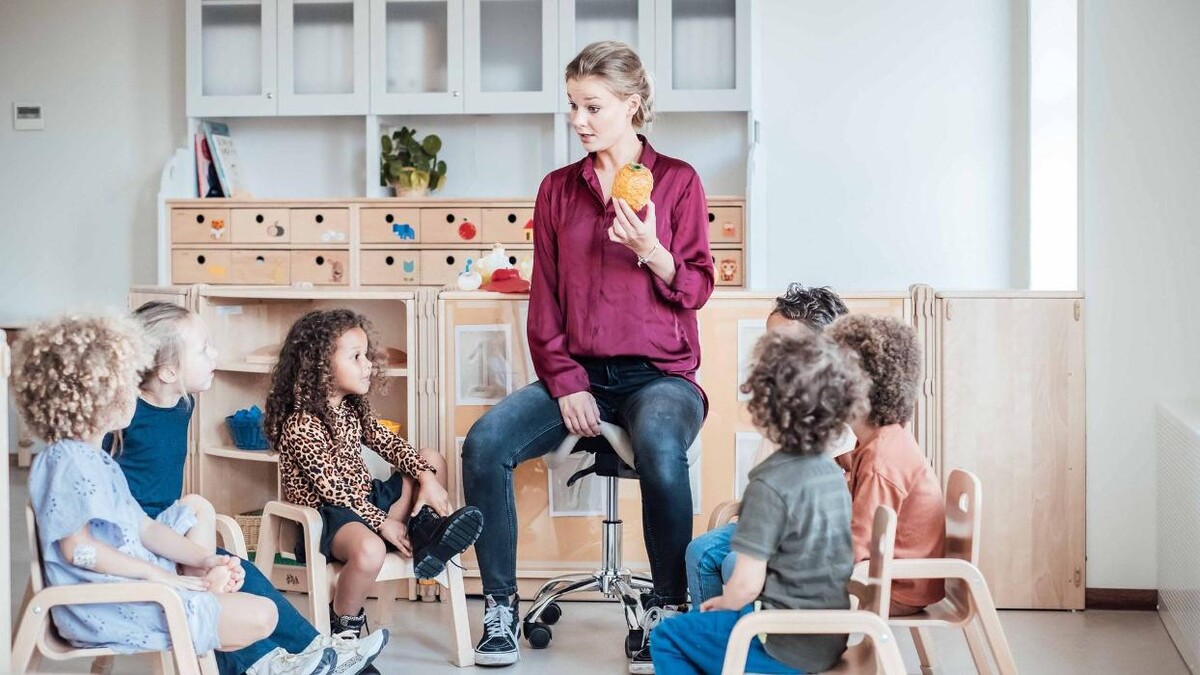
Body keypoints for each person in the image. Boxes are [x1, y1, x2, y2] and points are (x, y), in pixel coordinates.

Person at [461, 39, 715, 672]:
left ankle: (666, 609)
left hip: (661, 375)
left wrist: (654, 249)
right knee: (485, 442)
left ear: (632, 105)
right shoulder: (557, 190)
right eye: (572, 105)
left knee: (659, 445)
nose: (578, 120)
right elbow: (543, 301)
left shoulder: (678, 182)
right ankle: (499, 608)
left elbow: (696, 289)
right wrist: (567, 381)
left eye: (592, 106)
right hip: (576, 375)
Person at [110, 301, 387, 674]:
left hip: (171, 531)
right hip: (138, 543)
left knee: (244, 571)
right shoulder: (122, 415)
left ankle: (324, 654)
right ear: (168, 369)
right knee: (215, 590)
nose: (216, 354)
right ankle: (262, 664)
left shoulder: (182, 402)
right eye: (204, 348)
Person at [12, 314, 287, 669]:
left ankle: (214, 608)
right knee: (261, 615)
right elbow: (78, 548)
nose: (136, 391)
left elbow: (145, 528)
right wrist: (159, 577)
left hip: (128, 594)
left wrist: (201, 560)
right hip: (105, 604)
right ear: (95, 399)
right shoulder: (69, 462)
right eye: (128, 383)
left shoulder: (96, 462)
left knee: (258, 611)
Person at [650, 327, 868, 674]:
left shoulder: (769, 483)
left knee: (668, 637)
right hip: (830, 636)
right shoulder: (832, 476)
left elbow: (747, 584)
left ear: (764, 408)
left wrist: (724, 603)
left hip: (784, 644)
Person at [265, 309, 483, 639]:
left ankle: (425, 534)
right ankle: (345, 629)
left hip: (368, 503)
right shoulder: (302, 425)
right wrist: (382, 522)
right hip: (332, 519)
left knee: (432, 458)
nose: (368, 364)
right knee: (371, 550)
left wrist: (425, 476)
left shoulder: (352, 408)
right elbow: (335, 492)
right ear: (319, 366)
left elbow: (389, 443)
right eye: (356, 357)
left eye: (366, 355)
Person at [684, 284, 852, 610]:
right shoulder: (782, 406)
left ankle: (747, 641)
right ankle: (717, 636)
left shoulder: (834, 421)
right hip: (765, 523)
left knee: (736, 564)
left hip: (797, 535)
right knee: (700, 551)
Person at [827, 314, 946, 615]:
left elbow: (859, 545)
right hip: (895, 578)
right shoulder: (880, 441)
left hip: (894, 588)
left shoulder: (880, 458)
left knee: (774, 582)